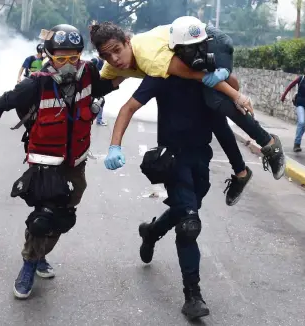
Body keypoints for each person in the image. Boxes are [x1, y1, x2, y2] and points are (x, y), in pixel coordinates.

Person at [0, 24, 121, 299]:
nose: (68, 64)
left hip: (76, 162)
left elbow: (114, 80)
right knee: (44, 218)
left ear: (81, 55)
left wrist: (133, 62)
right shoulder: (35, 83)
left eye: (73, 57)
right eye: (60, 58)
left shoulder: (88, 74)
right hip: (44, 164)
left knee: (62, 217)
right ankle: (29, 264)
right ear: (49, 56)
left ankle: (40, 254)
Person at [90, 18, 285, 204]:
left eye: (117, 51)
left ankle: (269, 143)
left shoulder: (153, 59)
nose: (114, 59)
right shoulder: (113, 65)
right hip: (186, 46)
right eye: (106, 56)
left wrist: (236, 95)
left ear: (127, 41)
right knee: (213, 115)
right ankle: (241, 173)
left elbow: (196, 75)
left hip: (208, 39)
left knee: (216, 100)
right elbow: (101, 87)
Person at [103, 69, 221, 319]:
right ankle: (192, 296)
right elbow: (128, 108)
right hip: (174, 160)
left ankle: (151, 231)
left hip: (200, 160)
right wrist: (114, 145)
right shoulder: (161, 75)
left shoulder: (206, 76)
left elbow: (223, 116)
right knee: (189, 226)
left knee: (184, 213)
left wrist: (240, 167)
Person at [281, 60, 305, 152]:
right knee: (301, 122)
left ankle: (297, 143)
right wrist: (283, 96)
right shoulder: (301, 78)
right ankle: (297, 143)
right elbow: (290, 86)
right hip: (300, 103)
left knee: (304, 126)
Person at [91, 56, 108, 126]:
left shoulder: (103, 62)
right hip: (90, 87)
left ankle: (98, 120)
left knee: (101, 101)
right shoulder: (95, 60)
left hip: (94, 86)